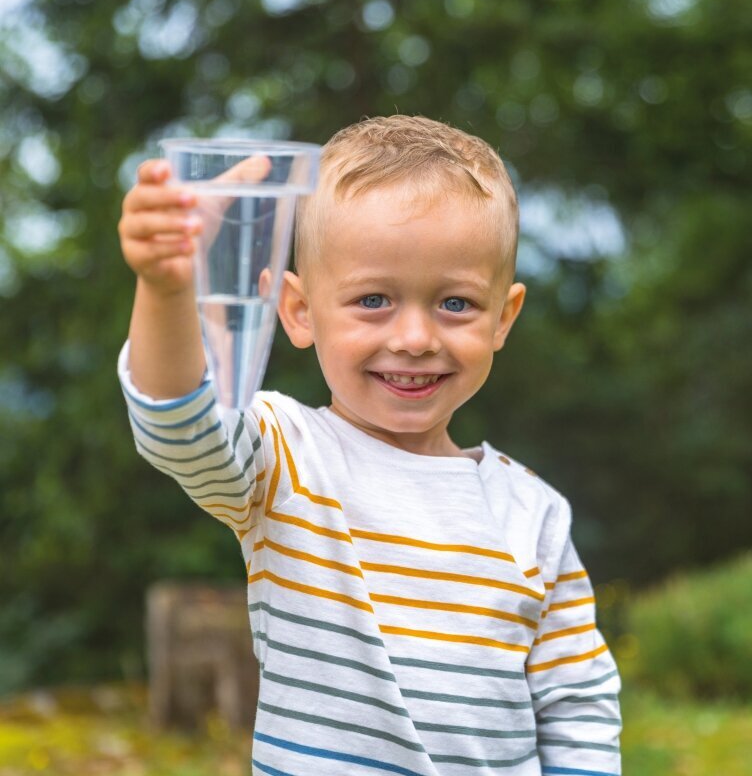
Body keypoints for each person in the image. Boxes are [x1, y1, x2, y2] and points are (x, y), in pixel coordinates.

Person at [117, 115, 622, 776]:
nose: (414, 336)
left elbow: (577, 707)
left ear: (505, 316)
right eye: (374, 299)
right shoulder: (285, 456)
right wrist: (166, 288)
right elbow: (179, 426)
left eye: (456, 305)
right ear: (298, 310)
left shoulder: (536, 516)